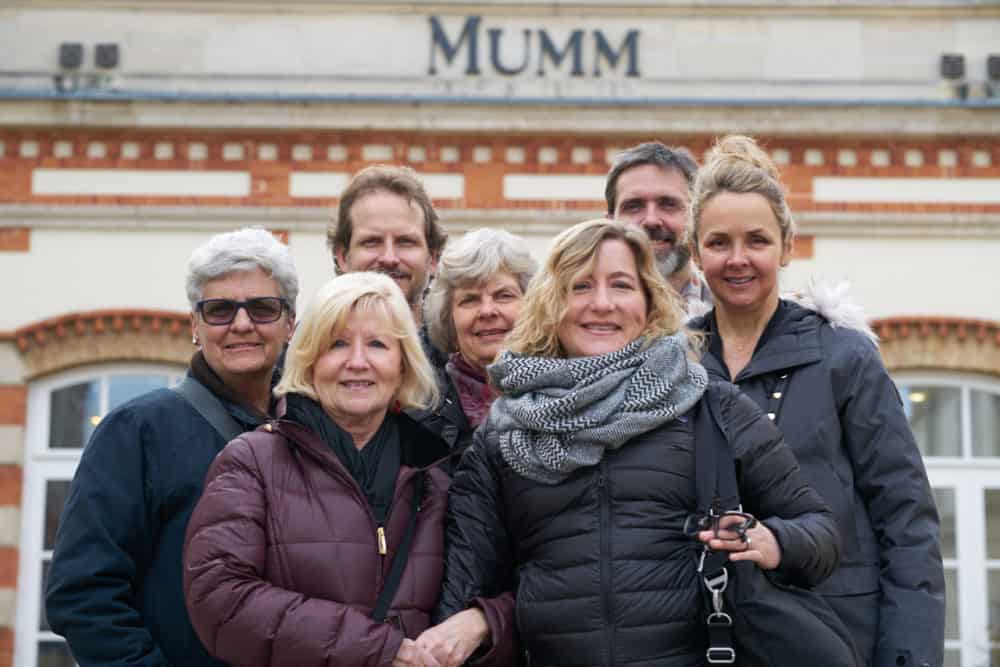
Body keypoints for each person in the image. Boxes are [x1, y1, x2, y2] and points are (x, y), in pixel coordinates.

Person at [421, 219, 841, 667]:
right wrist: (475, 622)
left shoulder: (710, 406)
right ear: (551, 303)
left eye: (620, 285)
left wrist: (774, 540)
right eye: (580, 286)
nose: (601, 304)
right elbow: (468, 585)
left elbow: (821, 533)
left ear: (648, 301)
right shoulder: (504, 434)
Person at [687, 135, 944, 667]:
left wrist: (907, 656)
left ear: (787, 246)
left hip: (836, 637)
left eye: (756, 240)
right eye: (718, 243)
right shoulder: (671, 366)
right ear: (695, 253)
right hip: (704, 640)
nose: (738, 259)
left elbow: (906, 523)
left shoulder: (844, 358)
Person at [45, 227, 298, 666]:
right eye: (219, 310)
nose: (241, 324)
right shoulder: (136, 431)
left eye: (262, 308)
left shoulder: (310, 432)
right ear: (194, 326)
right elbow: (83, 594)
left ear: (290, 323)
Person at [183, 271, 452, 667]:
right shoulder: (253, 461)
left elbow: (500, 589)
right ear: (309, 361)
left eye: (377, 344)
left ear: (403, 366)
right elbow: (220, 598)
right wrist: (377, 649)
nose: (357, 362)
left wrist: (482, 623)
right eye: (337, 344)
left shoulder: (433, 476)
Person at [417, 228, 538, 458]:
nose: (487, 311)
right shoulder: (419, 413)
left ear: (532, 306)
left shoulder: (568, 392)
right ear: (448, 319)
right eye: (470, 299)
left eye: (503, 295)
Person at [328, 164, 448, 366]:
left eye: (406, 242)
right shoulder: (306, 355)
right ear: (342, 256)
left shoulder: (458, 361)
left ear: (433, 258)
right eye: (371, 242)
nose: (389, 258)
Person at [605, 141, 711, 314]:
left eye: (668, 204)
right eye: (634, 206)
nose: (651, 220)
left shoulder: (732, 313)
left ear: (698, 218)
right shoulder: (579, 318)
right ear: (609, 223)